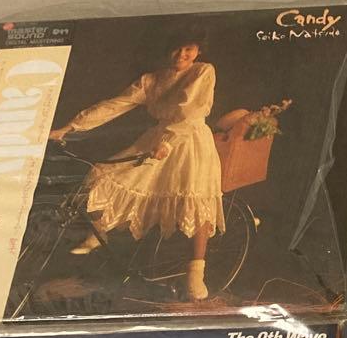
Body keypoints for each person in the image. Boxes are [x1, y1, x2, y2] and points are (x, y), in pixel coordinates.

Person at [47, 30, 224, 301]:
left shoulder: (203, 71)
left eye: (189, 48)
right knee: (104, 175)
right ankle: (99, 232)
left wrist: (168, 143)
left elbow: (190, 112)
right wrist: (69, 127)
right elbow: (114, 105)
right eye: (176, 48)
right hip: (156, 139)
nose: (182, 55)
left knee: (194, 202)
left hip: (190, 140)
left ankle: (195, 274)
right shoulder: (151, 80)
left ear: (198, 50)